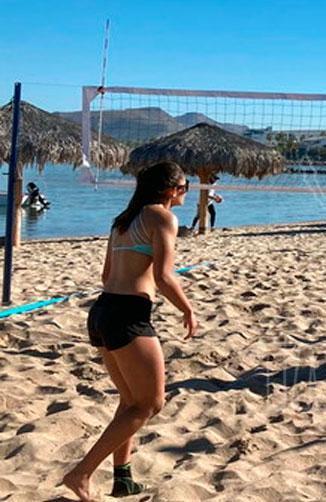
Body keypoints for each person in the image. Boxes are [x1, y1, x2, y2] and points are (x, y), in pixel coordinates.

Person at [63, 161, 198, 501]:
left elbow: (106, 275)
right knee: (150, 404)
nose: (186, 192)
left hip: (103, 310)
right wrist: (187, 309)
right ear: (171, 190)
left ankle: (122, 478)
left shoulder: (123, 220)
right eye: (185, 187)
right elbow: (165, 276)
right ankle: (81, 474)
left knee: (130, 401)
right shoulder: (163, 217)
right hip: (127, 314)